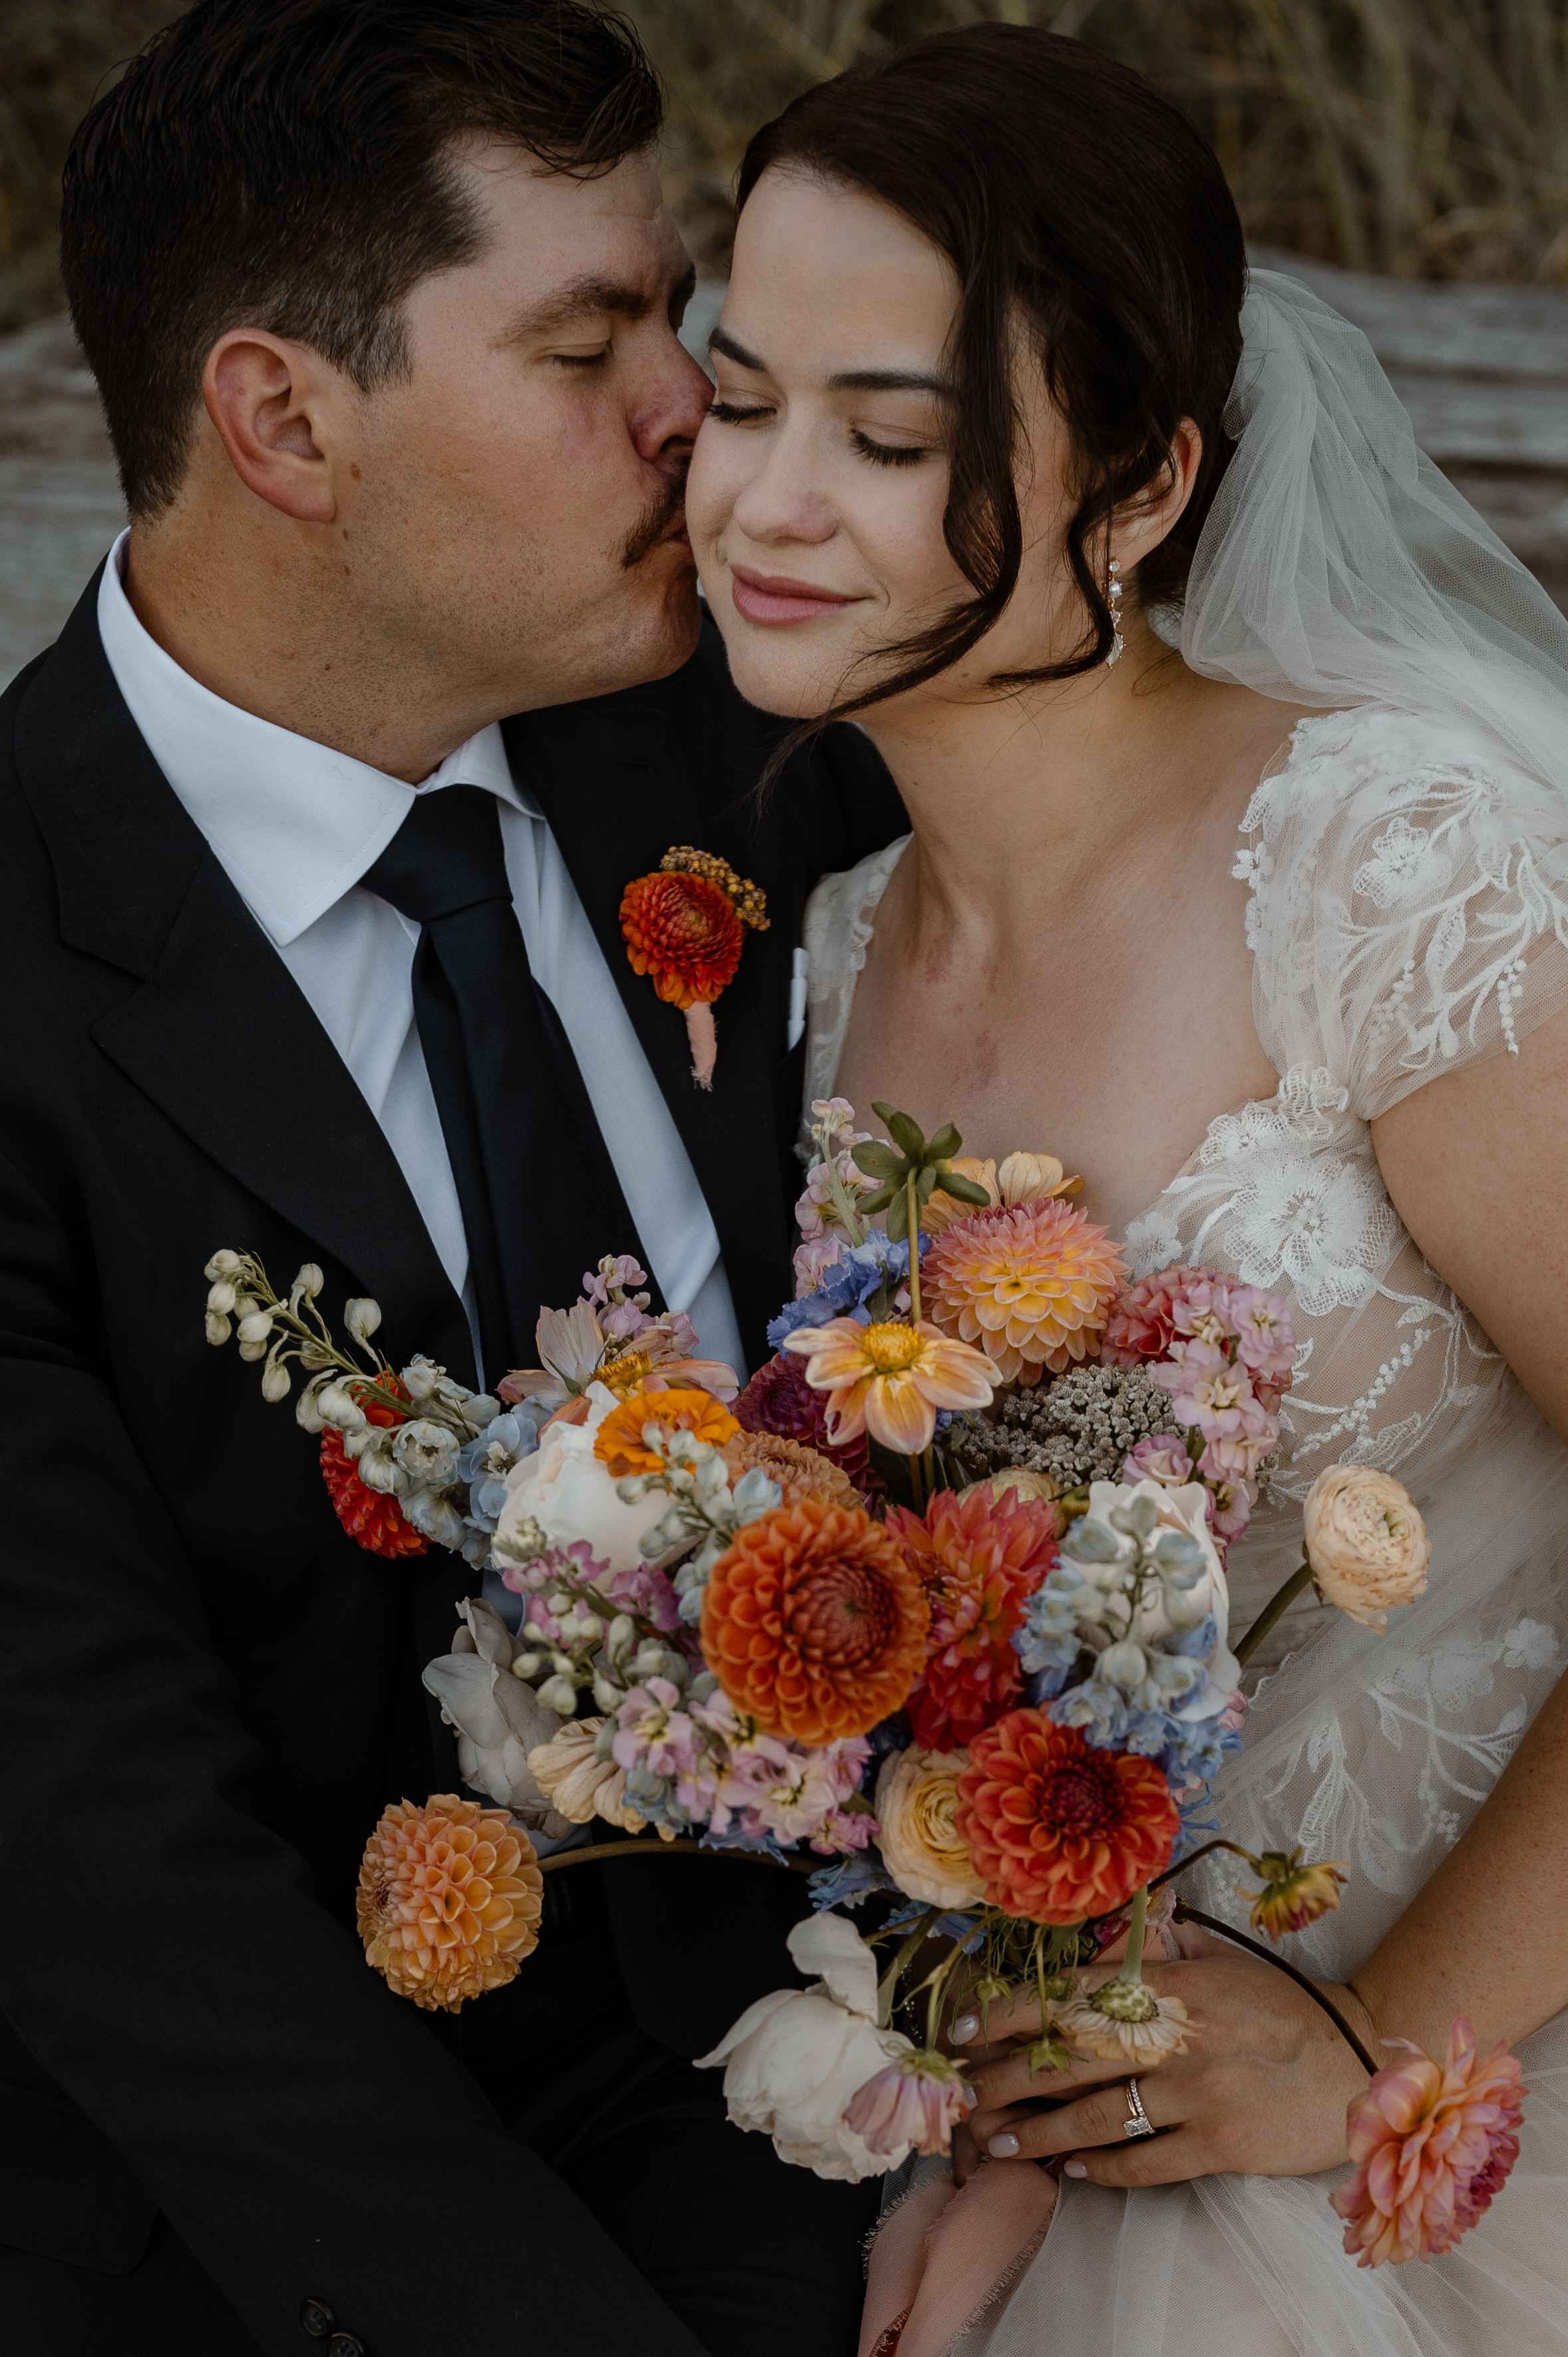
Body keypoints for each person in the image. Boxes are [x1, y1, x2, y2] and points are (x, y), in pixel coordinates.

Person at [0, 3, 906, 2352]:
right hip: (256, 2213)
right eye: (589, 342)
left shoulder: (755, 720)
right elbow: (112, 1885)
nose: (686, 412)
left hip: (828, 2036)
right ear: (283, 418)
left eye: (672, 322)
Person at [685, 22, 1568, 2356]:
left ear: (1143, 484)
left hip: (1466, 2087)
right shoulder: (832, 966)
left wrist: (1391, 2051)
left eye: (884, 438)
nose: (763, 501)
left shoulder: (1384, 863)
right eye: (735, 391)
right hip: (1086, 2116)